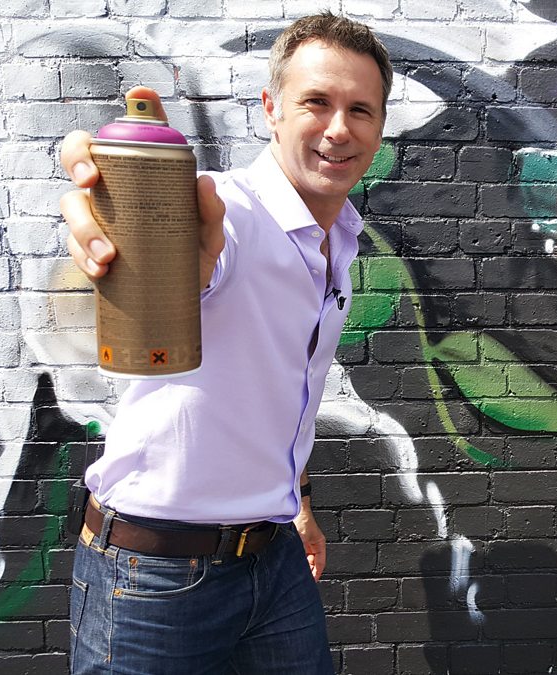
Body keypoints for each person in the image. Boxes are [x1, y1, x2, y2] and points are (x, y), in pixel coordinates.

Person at [58, 13, 391, 673]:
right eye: (316, 102)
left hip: (273, 556)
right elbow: (187, 253)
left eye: (360, 109)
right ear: (271, 109)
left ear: (379, 126)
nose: (339, 128)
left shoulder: (338, 240)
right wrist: (136, 245)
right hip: (155, 573)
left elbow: (277, 391)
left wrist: (297, 502)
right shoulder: (226, 215)